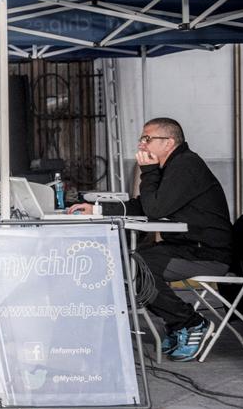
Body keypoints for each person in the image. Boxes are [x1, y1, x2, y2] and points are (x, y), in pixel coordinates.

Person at [68, 117, 232, 361]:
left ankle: (191, 322)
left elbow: (155, 209)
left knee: (137, 267)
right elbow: (144, 206)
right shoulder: (171, 166)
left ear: (169, 142)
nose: (142, 144)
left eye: (148, 139)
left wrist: (148, 172)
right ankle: (179, 324)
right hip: (185, 247)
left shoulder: (186, 165)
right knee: (127, 263)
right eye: (141, 139)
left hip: (208, 253)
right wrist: (97, 209)